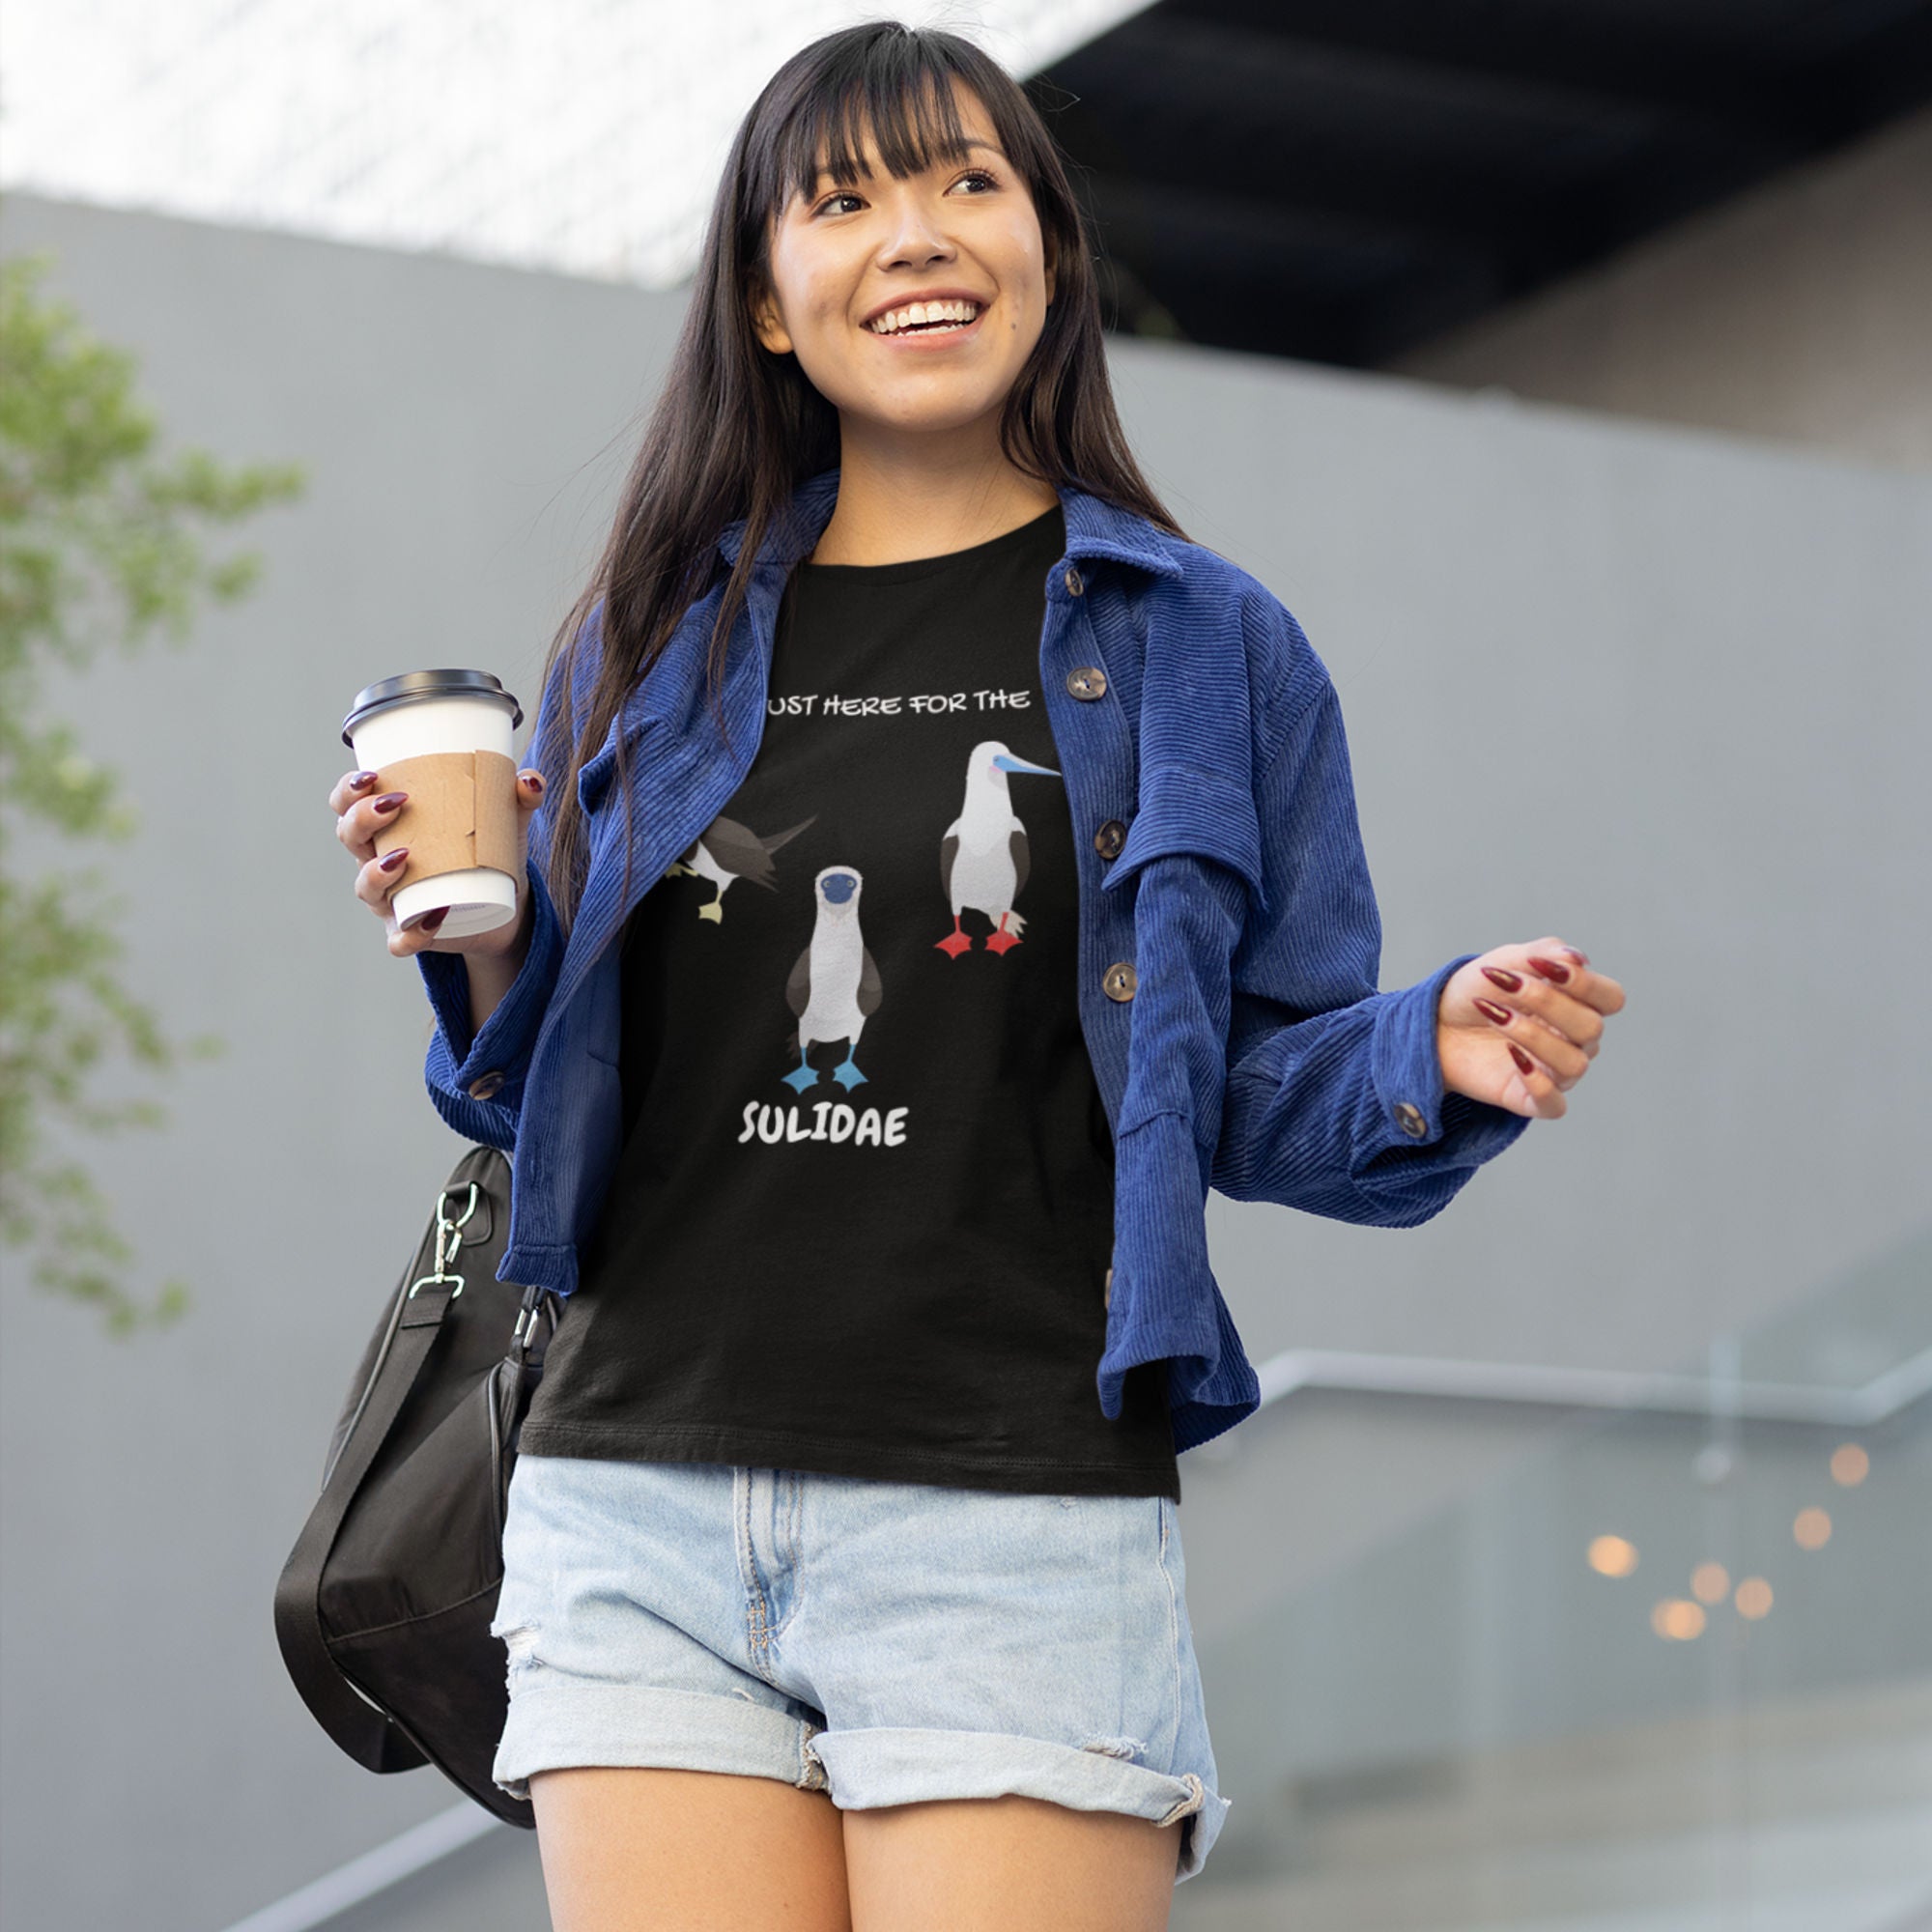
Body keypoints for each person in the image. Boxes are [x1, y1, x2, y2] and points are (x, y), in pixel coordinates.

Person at [328, 21, 1624, 1931]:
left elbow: (1243, 1094)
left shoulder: (1203, 646)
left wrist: (1429, 1050)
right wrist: (494, 935)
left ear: (1047, 249)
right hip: (636, 1496)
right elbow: (542, 1102)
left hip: (1006, 1504)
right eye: (841, 202)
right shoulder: (649, 641)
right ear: (768, 303)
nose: (912, 236)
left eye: (963, 182)